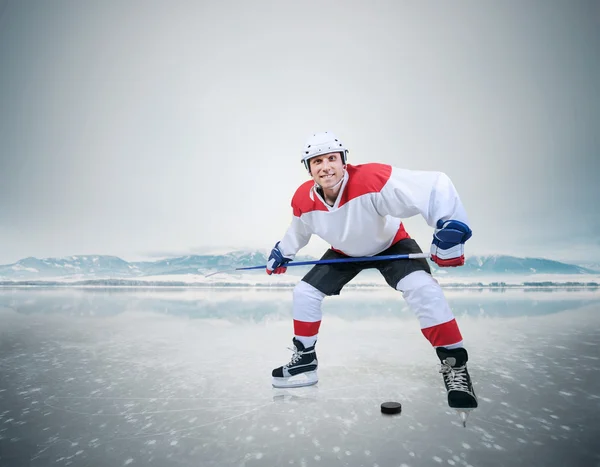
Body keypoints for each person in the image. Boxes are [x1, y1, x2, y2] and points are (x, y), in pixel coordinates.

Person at [266, 131, 477, 412]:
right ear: (309, 169)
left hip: (392, 245)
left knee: (423, 289)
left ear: (343, 161)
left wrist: (449, 225)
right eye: (317, 161)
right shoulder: (303, 199)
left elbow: (434, 184)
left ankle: (455, 366)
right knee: (304, 292)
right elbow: (299, 231)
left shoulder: (373, 179)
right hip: (344, 253)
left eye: (332, 158)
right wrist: (283, 251)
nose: (325, 166)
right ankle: (305, 360)